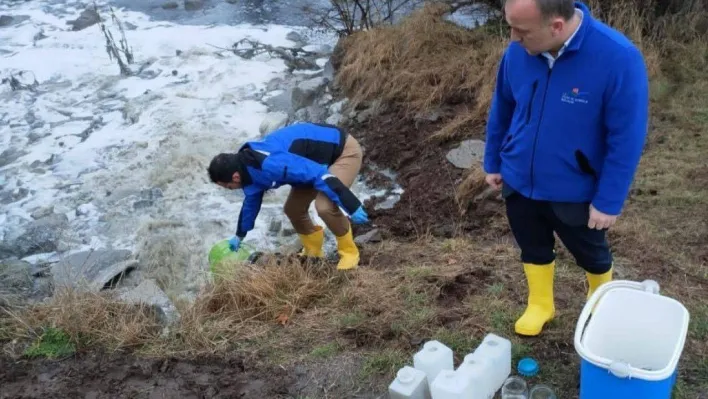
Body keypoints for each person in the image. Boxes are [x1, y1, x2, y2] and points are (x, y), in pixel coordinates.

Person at [483, 0, 649, 336]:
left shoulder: (618, 58)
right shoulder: (518, 52)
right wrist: (494, 160)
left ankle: (600, 300)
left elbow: (627, 137)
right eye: (510, 26)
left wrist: (609, 200)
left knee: (592, 254)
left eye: (521, 30)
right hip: (519, 179)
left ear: (556, 26)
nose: (512, 38)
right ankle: (541, 304)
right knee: (532, 245)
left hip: (575, 187)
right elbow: (502, 107)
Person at [207, 122, 369, 270]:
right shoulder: (248, 170)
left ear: (235, 177)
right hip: (311, 163)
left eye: (229, 187)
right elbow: (251, 203)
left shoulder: (270, 164)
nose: (231, 190)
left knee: (324, 206)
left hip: (342, 152)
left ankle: (349, 252)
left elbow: (319, 174)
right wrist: (239, 235)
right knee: (293, 209)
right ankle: (313, 252)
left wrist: (351, 205)